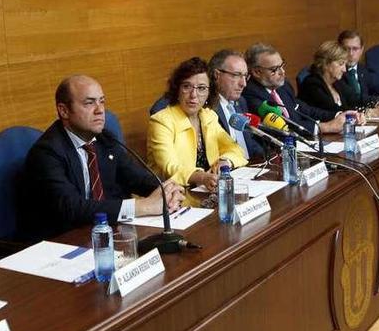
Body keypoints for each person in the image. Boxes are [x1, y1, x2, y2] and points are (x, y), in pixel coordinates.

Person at [19, 75, 183, 240]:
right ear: (64, 110)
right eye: (89, 103)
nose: (100, 110)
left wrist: (167, 192)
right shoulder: (47, 152)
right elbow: (73, 208)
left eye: (102, 101)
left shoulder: (105, 140)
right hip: (64, 242)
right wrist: (142, 207)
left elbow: (137, 178)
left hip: (108, 233)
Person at [148, 57, 248, 191]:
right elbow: (169, 168)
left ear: (209, 92)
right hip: (170, 195)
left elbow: (235, 150)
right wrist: (201, 177)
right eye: (186, 86)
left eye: (201, 88)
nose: (193, 95)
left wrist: (225, 161)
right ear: (177, 89)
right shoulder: (161, 121)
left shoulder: (208, 116)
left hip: (206, 191)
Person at [242, 42, 351, 135]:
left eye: (282, 66)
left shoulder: (283, 87)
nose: (282, 72)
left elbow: (305, 110)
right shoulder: (250, 94)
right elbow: (283, 127)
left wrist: (338, 115)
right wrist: (325, 127)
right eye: (274, 69)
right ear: (257, 72)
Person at [208, 49, 266, 161]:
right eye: (236, 75)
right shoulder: (207, 107)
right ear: (217, 75)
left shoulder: (241, 102)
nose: (243, 84)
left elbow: (248, 142)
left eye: (245, 76)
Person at [299, 41, 367, 125]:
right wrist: (355, 114)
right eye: (341, 64)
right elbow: (332, 110)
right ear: (326, 64)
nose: (344, 70)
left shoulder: (337, 83)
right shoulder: (312, 84)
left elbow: (355, 99)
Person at [336, 30, 373, 109]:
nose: (351, 54)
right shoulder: (336, 73)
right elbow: (353, 100)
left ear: (361, 50)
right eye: (346, 49)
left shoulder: (365, 70)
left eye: (355, 49)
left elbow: (375, 91)